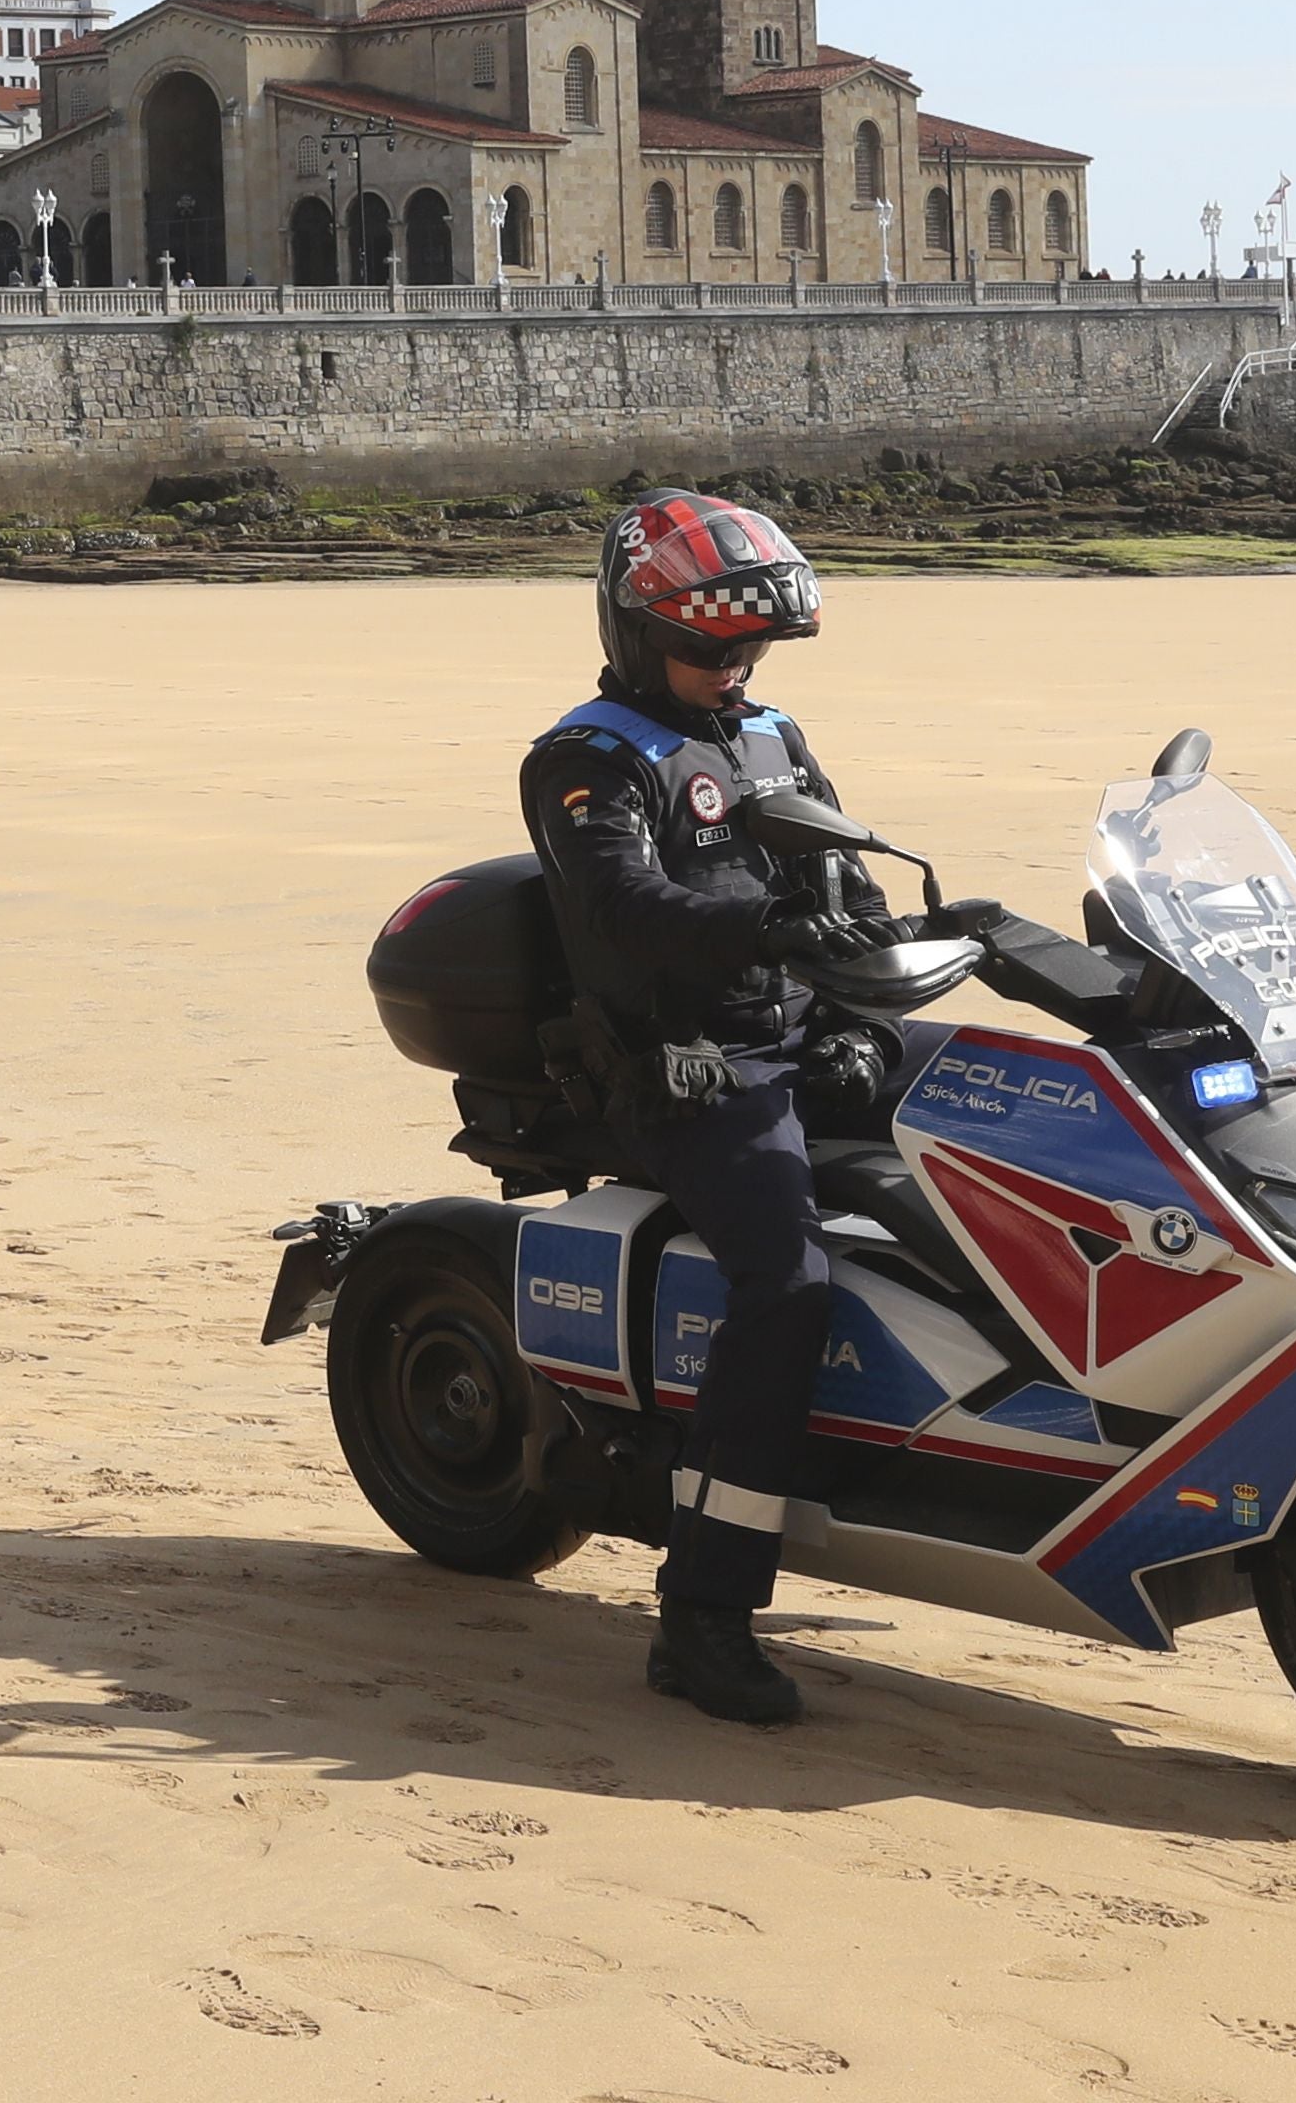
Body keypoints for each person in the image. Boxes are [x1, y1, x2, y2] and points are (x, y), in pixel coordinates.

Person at [519, 488, 882, 1730]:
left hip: (803, 1034)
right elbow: (623, 907)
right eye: (709, 649)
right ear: (634, 632)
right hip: (686, 1070)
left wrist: (880, 945)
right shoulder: (589, 758)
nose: (733, 671)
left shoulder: (769, 730)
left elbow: (836, 866)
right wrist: (767, 925)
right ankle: (705, 1615)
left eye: (750, 650)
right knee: (788, 1287)